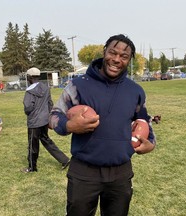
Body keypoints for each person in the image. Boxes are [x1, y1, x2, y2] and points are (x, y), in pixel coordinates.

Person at [49, 34, 156, 215]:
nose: (116, 59)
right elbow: (54, 116)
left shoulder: (135, 91)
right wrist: (69, 126)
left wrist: (151, 142)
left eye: (123, 56)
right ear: (104, 51)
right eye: (112, 53)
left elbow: (144, 120)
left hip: (120, 172)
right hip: (84, 170)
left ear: (129, 60)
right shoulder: (77, 85)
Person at [21, 67, 70, 173]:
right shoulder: (46, 88)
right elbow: (50, 103)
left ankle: (32, 167)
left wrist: (28, 113)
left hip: (34, 122)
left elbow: (28, 107)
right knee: (46, 140)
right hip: (44, 120)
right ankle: (64, 160)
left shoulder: (29, 92)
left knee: (32, 145)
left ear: (29, 77)